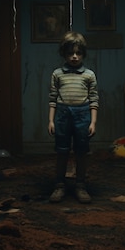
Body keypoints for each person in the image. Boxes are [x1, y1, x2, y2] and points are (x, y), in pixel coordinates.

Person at [47, 31, 98, 203]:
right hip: (62, 115)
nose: (74, 57)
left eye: (78, 53)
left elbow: (94, 99)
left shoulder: (89, 75)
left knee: (81, 152)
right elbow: (52, 99)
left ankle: (80, 185)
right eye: (70, 53)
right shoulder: (57, 74)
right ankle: (59, 185)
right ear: (64, 53)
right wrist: (51, 120)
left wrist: (93, 121)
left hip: (83, 115)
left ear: (83, 54)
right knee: (62, 152)